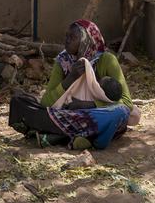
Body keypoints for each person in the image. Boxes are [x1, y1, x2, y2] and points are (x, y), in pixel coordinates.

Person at [8, 19, 133, 150]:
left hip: (97, 115)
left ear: (86, 40)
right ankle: (79, 136)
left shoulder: (107, 60)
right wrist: (70, 78)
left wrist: (89, 105)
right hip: (67, 114)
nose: (66, 40)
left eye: (72, 37)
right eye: (66, 36)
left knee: (119, 113)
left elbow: (127, 103)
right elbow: (46, 102)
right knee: (18, 101)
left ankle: (60, 136)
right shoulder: (63, 61)